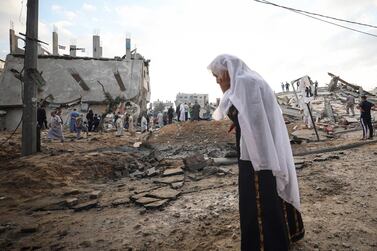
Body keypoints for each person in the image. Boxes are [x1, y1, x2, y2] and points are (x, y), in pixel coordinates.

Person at [208, 54, 304, 251]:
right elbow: (253, 116)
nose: (218, 80)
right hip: (264, 145)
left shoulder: (242, 83)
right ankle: (289, 233)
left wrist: (226, 91)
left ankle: (265, 245)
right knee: (273, 189)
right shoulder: (253, 79)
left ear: (227, 70)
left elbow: (238, 114)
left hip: (256, 153)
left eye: (218, 75)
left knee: (259, 195)